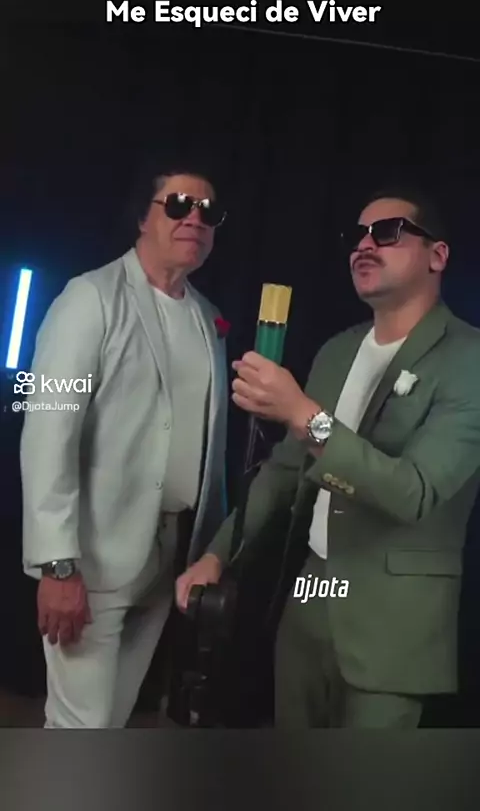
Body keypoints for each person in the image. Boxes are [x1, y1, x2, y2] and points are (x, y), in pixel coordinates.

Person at [176, 185, 480, 728]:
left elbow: (414, 493)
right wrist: (217, 555)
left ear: (438, 255)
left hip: (394, 626)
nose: (365, 245)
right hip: (310, 600)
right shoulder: (338, 351)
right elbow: (285, 472)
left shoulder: (469, 359)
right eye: (357, 236)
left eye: (387, 232)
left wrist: (304, 415)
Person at [20, 166, 229, 728]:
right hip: (90, 559)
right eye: (178, 204)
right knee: (79, 728)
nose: (194, 219)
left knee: (110, 724)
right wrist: (57, 564)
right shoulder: (87, 299)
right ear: (143, 216)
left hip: (168, 556)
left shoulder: (207, 318)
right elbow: (47, 433)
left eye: (208, 212)